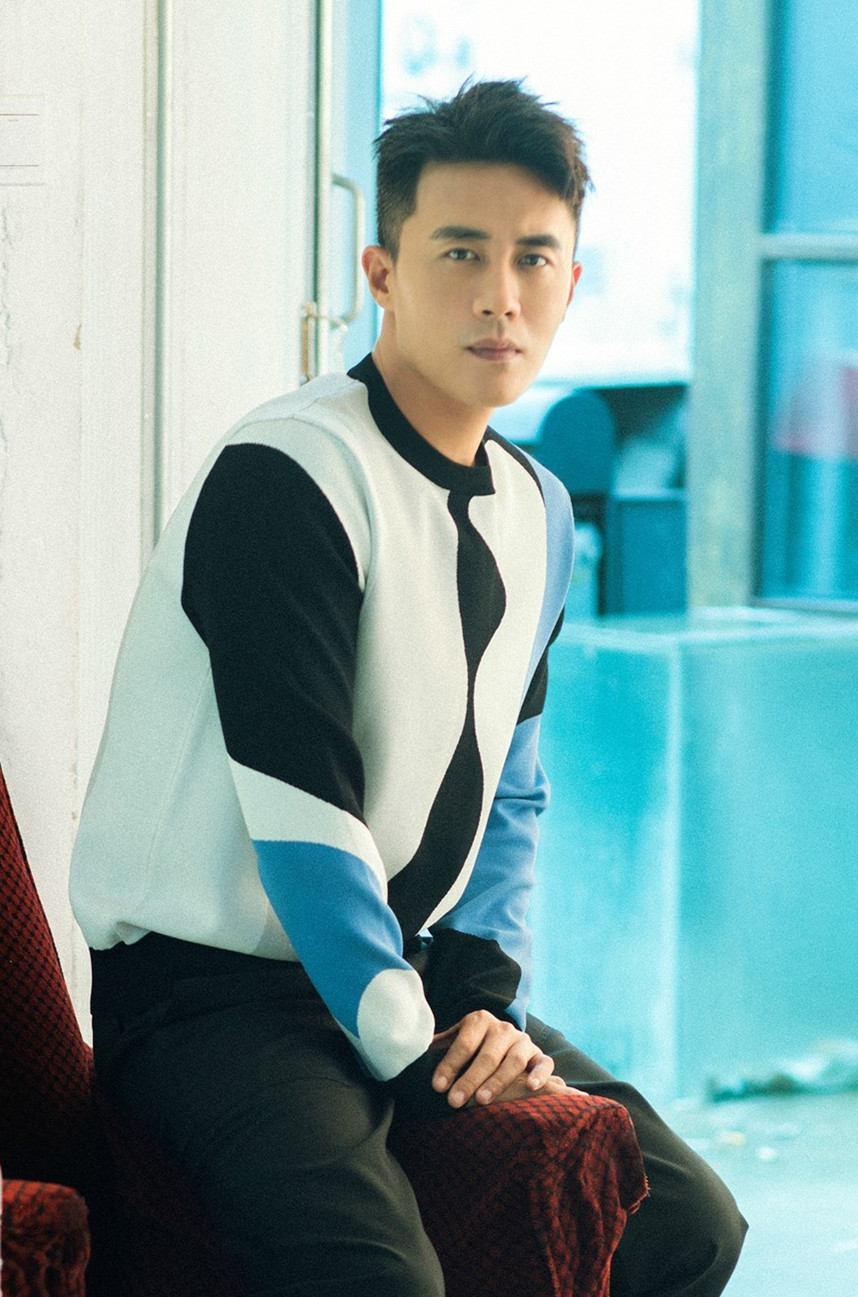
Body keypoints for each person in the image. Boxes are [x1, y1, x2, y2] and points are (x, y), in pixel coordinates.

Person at [70, 79, 746, 1296]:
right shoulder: (289, 471)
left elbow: (514, 789)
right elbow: (301, 809)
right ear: (381, 272)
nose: (501, 295)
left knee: (687, 1223)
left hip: (409, 970)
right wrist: (412, 1035)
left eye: (535, 258)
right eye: (461, 253)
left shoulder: (540, 507)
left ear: (573, 282)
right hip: (212, 1000)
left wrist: (485, 1003)